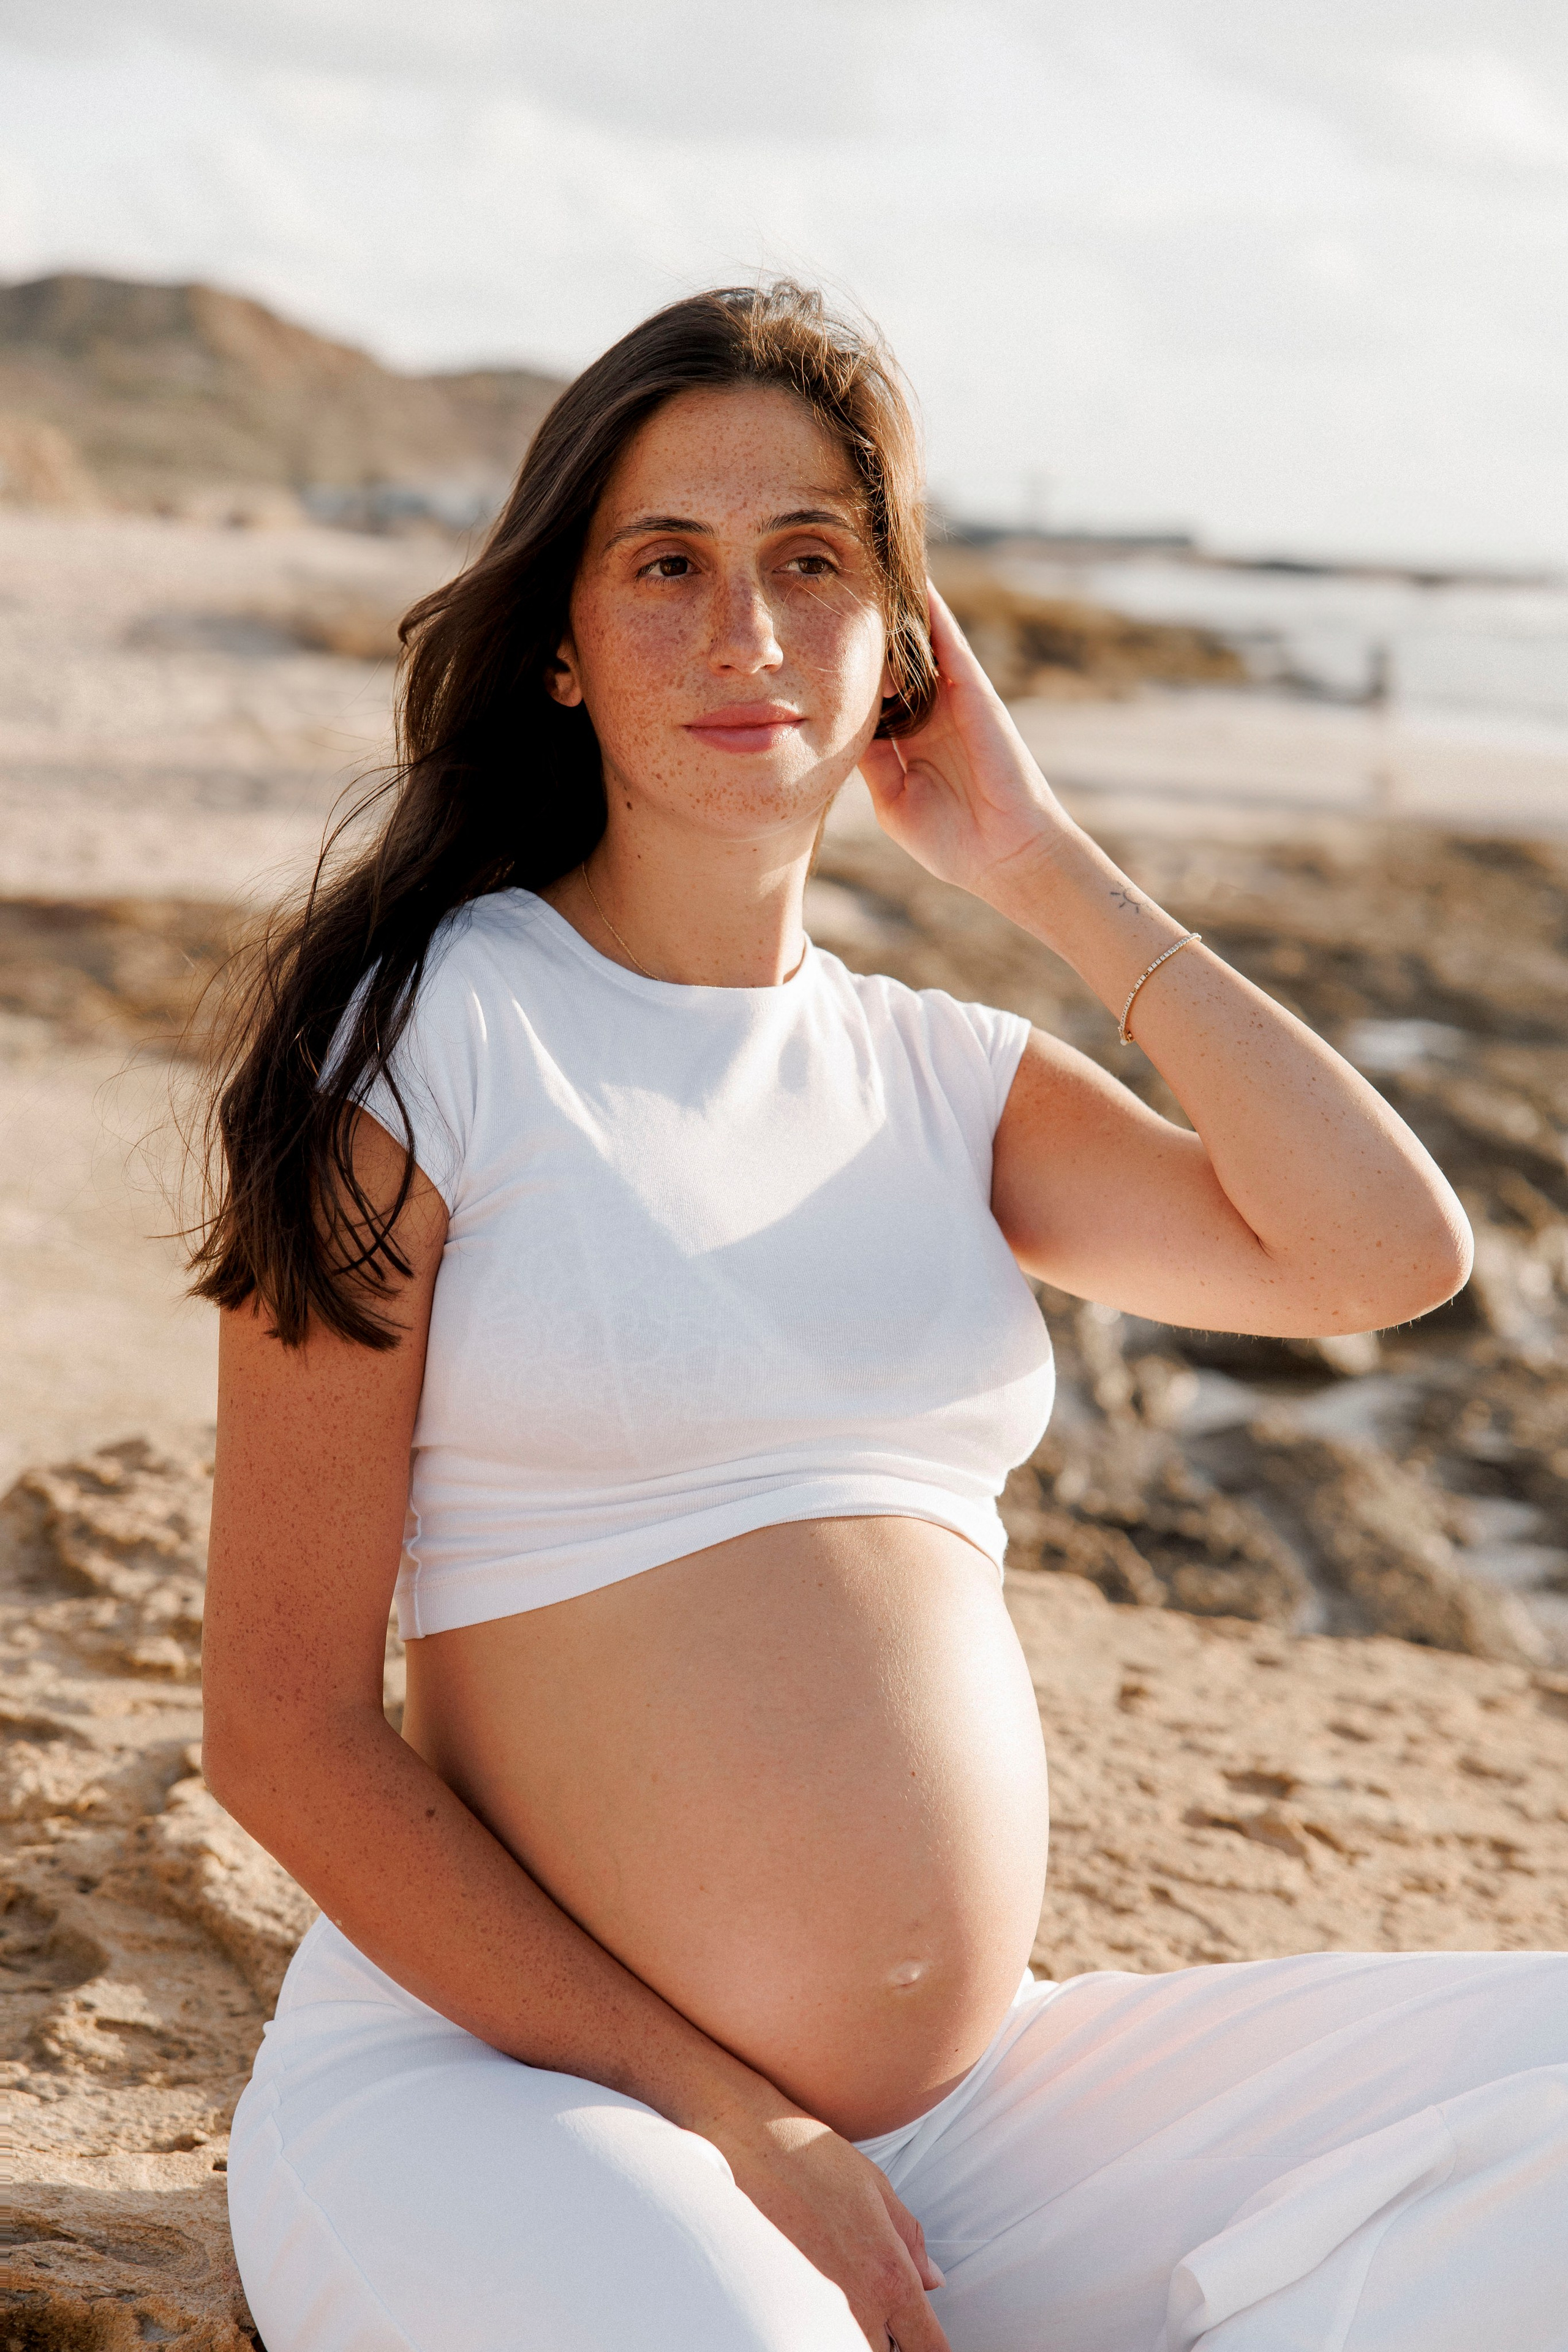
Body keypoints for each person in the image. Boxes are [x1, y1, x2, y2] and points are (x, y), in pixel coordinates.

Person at [196, 284, 1566, 2352]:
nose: (748, 632)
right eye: (669, 567)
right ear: (560, 643)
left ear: (904, 646)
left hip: (985, 2129)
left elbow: (1387, 1258)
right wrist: (742, 2125)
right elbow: (279, 1732)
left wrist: (1035, 856)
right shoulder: (436, 1045)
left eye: (814, 565)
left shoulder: (947, 1076)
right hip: (518, 2099)